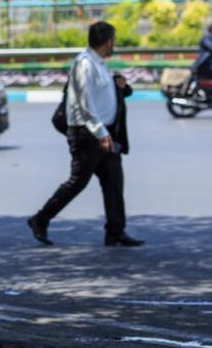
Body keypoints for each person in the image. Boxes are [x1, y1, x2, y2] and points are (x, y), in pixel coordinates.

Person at [27, 21, 144, 248]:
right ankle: (40, 219)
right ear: (107, 42)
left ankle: (115, 231)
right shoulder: (84, 64)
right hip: (87, 134)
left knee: (114, 182)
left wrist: (118, 87)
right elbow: (84, 103)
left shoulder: (99, 64)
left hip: (104, 133)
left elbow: (99, 96)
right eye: (113, 40)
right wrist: (100, 132)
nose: (114, 45)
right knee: (77, 182)